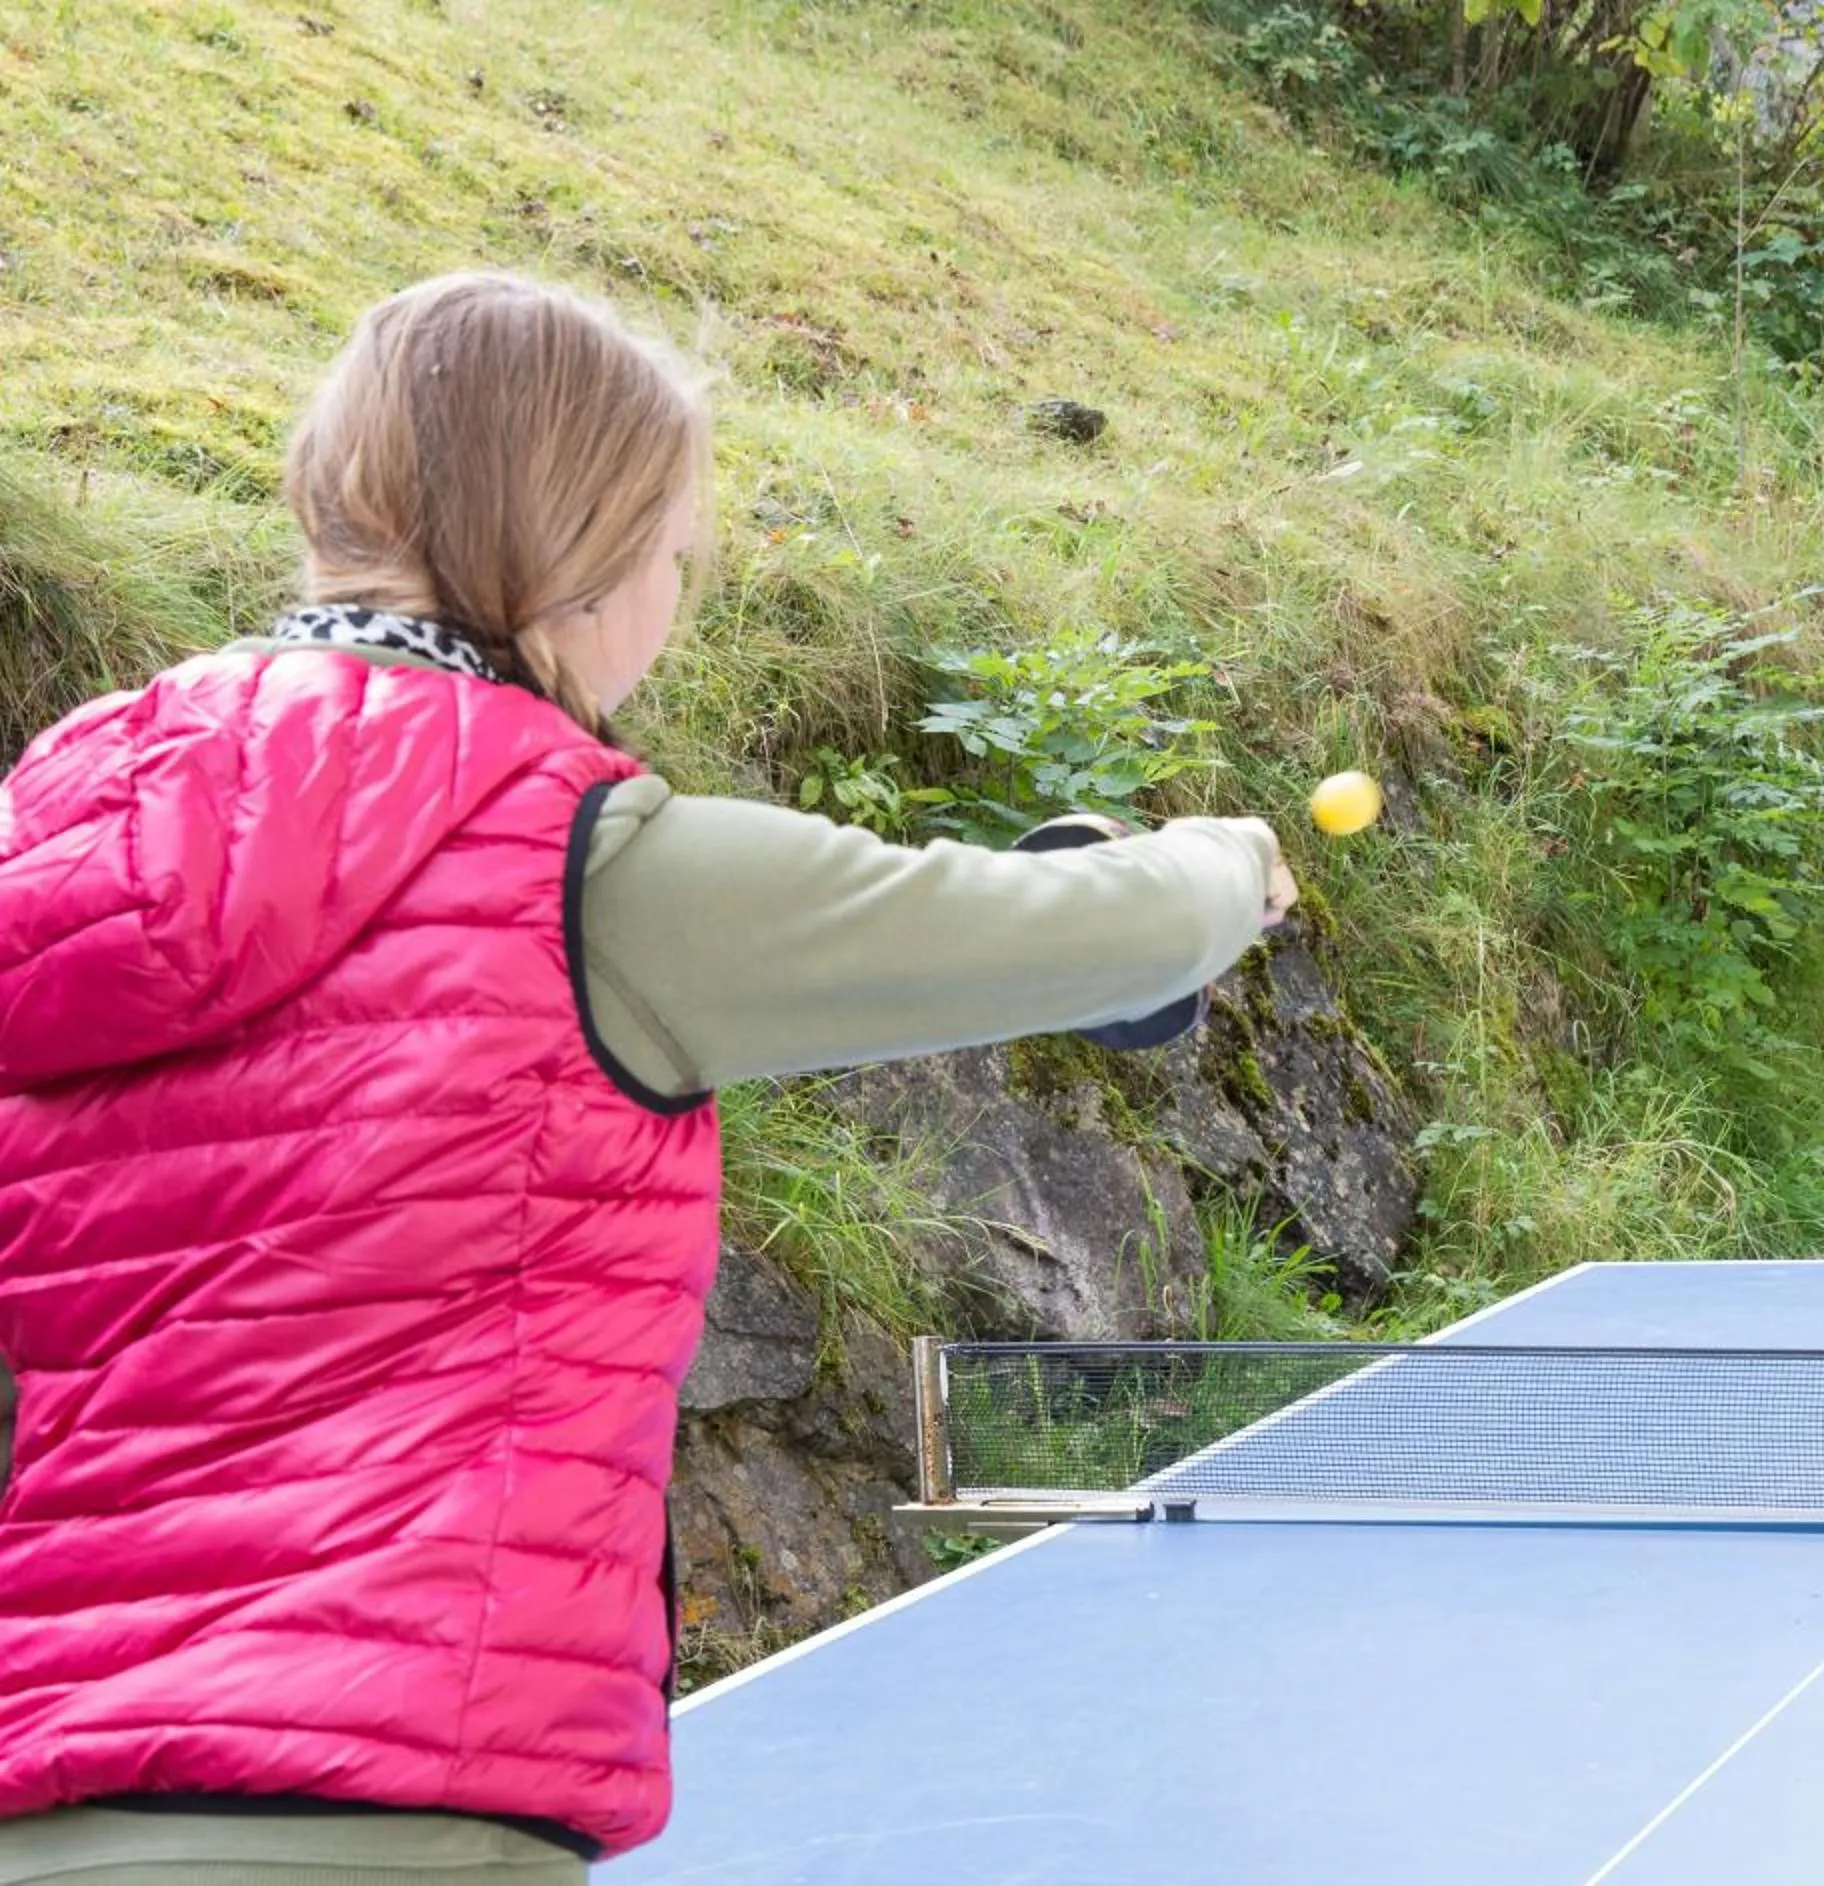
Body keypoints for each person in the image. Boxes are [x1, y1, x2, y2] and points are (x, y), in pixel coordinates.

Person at [0, 271, 1294, 1882]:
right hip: (394, 1815)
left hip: (53, 1802)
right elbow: (1065, 927)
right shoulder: (591, 870)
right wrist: (1228, 863)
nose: (675, 593)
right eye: (676, 550)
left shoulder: (67, 842)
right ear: (588, 559)